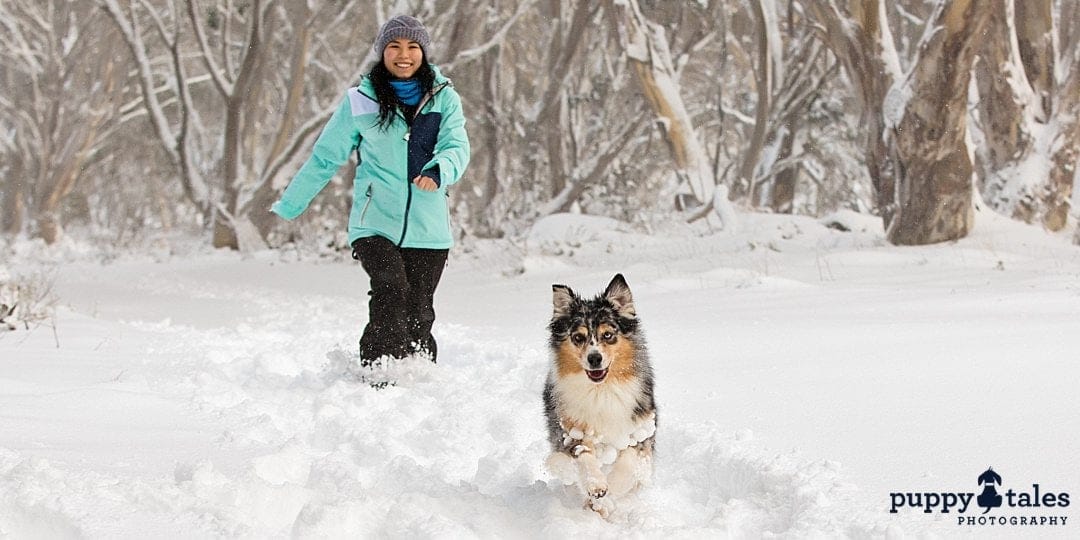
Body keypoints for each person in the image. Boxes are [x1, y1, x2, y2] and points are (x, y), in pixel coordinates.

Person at [271, 15, 470, 367]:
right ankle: (378, 369)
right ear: (382, 52)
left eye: (412, 47)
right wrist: (291, 204)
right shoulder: (360, 101)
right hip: (375, 223)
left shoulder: (444, 98)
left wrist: (439, 170)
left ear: (423, 53)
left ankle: (418, 372)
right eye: (394, 46)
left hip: (429, 227)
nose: (403, 54)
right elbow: (325, 157)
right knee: (391, 289)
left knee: (419, 311)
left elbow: (457, 146)